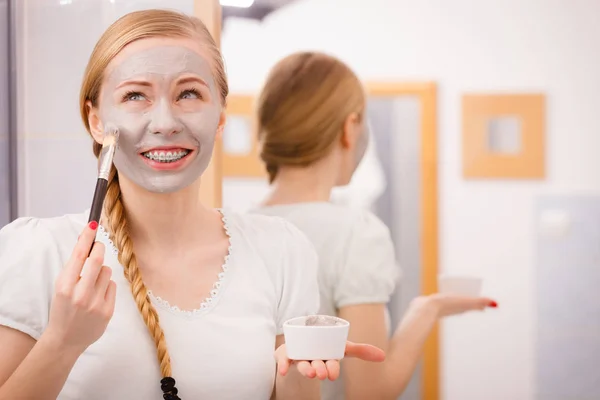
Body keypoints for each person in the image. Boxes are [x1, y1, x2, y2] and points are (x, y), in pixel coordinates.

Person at [0, 11, 383, 400]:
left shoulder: (281, 251)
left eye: (189, 94)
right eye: (135, 95)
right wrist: (62, 343)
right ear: (96, 121)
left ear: (219, 117)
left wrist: (296, 373)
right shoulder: (37, 254)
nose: (165, 122)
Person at [252, 51, 498, 400]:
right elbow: (370, 392)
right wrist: (427, 310)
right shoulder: (357, 233)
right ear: (350, 129)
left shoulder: (234, 225)